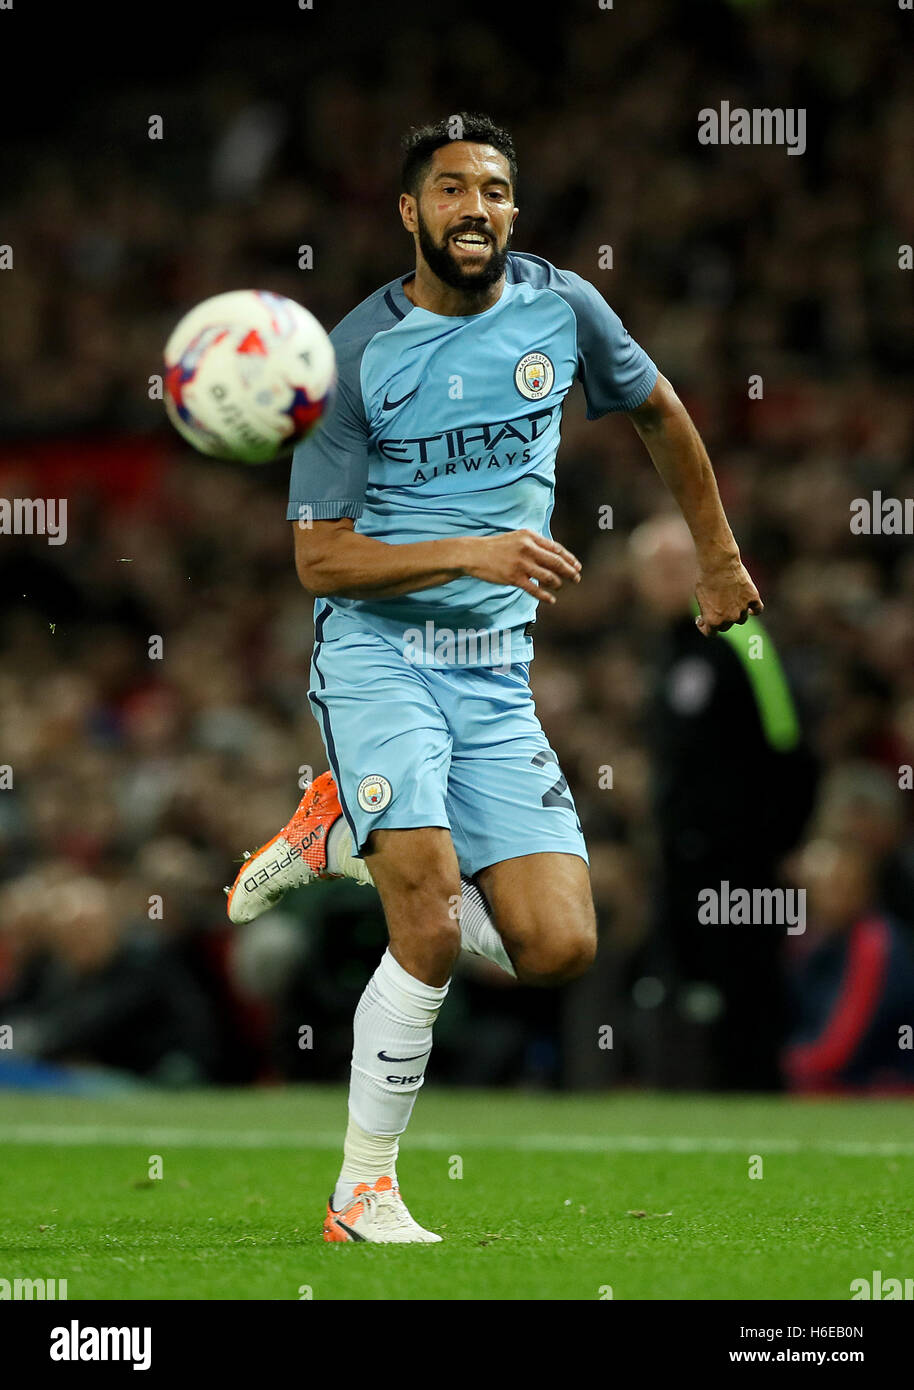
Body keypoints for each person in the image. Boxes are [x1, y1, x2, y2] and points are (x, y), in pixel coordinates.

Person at [226, 113, 762, 1242]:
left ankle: (335, 837)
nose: (478, 208)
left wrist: (715, 556)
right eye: (454, 189)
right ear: (409, 212)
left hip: (493, 672)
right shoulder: (355, 354)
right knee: (423, 922)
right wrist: (467, 550)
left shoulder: (562, 308)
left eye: (497, 191)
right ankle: (360, 1190)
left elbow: (659, 412)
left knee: (559, 944)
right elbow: (319, 558)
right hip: (377, 653)